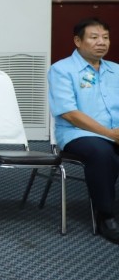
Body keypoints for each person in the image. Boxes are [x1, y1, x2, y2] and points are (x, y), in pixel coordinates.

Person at [48, 17, 119, 245]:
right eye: (94, 37)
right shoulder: (62, 70)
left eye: (105, 37)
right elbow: (69, 113)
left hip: (115, 133)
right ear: (78, 41)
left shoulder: (116, 70)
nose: (102, 42)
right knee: (101, 152)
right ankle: (106, 216)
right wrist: (109, 134)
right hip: (78, 134)